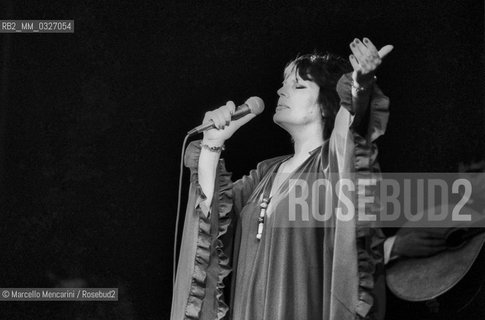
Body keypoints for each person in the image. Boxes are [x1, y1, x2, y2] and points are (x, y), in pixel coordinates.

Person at [171, 38, 393, 320]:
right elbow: (210, 220)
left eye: (298, 86)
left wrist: (360, 83)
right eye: (284, 84)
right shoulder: (264, 173)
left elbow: (346, 134)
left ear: (327, 105)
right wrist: (213, 144)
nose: (281, 91)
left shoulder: (330, 164)